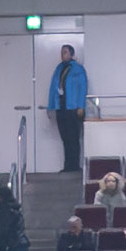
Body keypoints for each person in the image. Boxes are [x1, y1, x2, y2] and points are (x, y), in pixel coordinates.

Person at [45, 45, 92, 176]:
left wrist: (81, 106)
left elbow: (83, 87)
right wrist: (50, 106)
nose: (63, 54)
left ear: (71, 54)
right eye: (62, 52)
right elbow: (53, 88)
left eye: (65, 52)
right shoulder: (59, 68)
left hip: (73, 108)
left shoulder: (78, 69)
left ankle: (75, 165)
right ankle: (67, 166)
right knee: (65, 137)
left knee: (73, 138)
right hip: (61, 107)